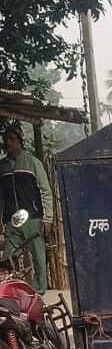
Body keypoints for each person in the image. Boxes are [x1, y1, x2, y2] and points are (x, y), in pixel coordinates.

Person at [0, 124, 53, 292]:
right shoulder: (2, 167)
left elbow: (45, 190)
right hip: (11, 220)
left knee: (38, 257)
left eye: (12, 139)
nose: (8, 143)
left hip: (33, 218)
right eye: (5, 140)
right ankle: (11, 292)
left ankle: (39, 293)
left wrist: (48, 218)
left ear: (20, 141)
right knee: (8, 258)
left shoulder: (33, 163)